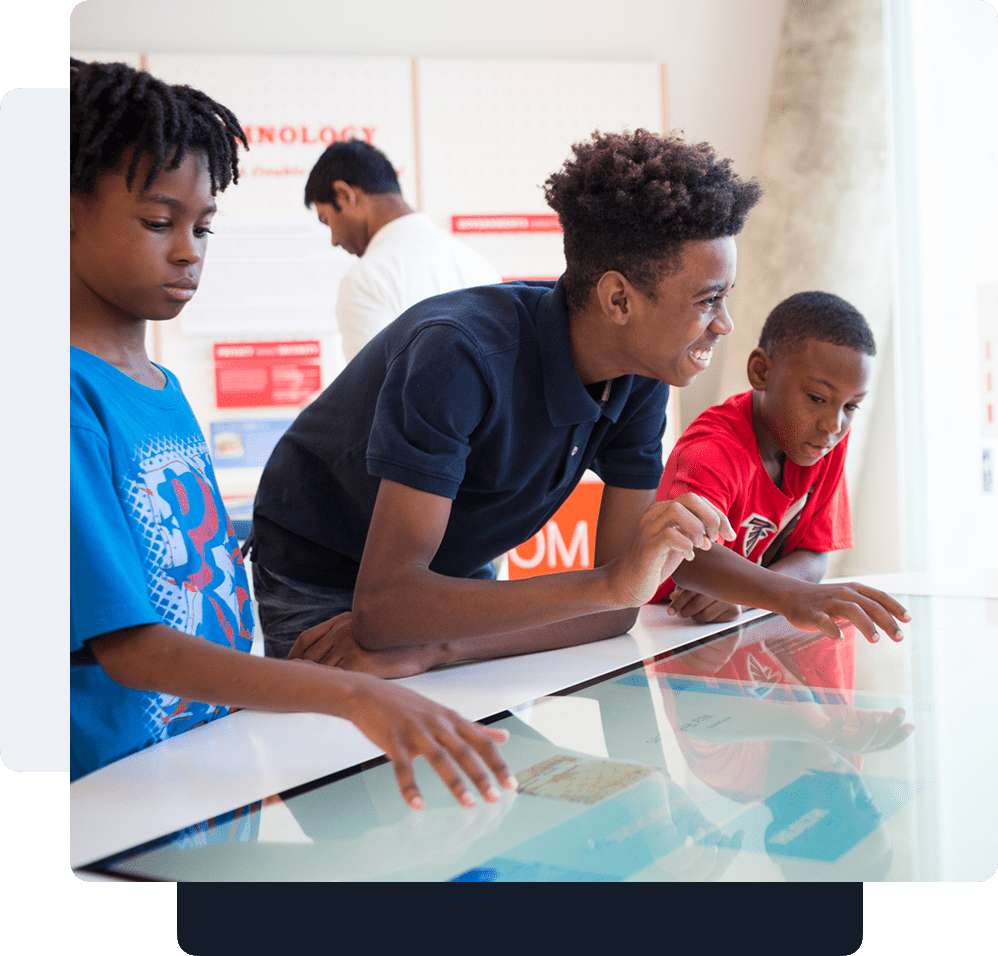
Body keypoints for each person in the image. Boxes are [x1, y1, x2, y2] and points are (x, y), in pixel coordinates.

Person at [247, 131, 911, 676]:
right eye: (708, 300)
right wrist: (608, 583)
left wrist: (438, 648)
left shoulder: (643, 374)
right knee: (371, 801)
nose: (726, 325)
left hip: (443, 578)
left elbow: (614, 608)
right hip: (329, 576)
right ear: (619, 300)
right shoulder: (459, 355)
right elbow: (386, 607)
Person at [69, 58, 515, 811]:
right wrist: (352, 695)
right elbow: (133, 648)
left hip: (204, 765)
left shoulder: (160, 387)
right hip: (109, 792)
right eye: (157, 222)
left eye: (202, 226)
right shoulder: (59, 397)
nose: (188, 250)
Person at [650, 291, 894, 640]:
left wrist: (750, 599)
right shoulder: (712, 450)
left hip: (734, 632)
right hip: (659, 632)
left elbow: (815, 555)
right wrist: (787, 596)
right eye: (816, 398)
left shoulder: (823, 443)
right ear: (761, 371)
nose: (833, 424)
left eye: (851, 406)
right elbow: (686, 557)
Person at [305, 140, 501, 362]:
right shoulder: (478, 265)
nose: (333, 240)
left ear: (344, 195)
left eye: (327, 219)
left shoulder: (366, 280)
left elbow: (370, 393)